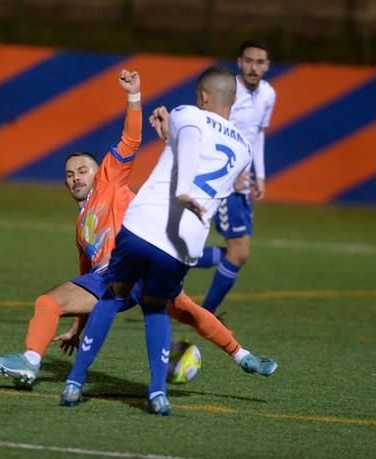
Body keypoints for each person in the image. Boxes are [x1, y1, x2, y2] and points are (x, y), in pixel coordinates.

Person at [0, 69, 276, 393]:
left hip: (132, 260)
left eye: (83, 170)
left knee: (182, 310)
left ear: (100, 171)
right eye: (70, 175)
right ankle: (240, 356)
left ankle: (31, 362)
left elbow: (131, 138)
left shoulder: (109, 179)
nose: (76, 178)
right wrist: (77, 328)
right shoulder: (82, 227)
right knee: (182, 309)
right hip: (127, 271)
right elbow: (87, 274)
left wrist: (134, 96)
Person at [60, 65, 254, 415]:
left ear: (203, 97)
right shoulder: (245, 151)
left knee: (112, 295)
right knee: (156, 308)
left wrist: (167, 129)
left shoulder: (187, 114)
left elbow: (187, 144)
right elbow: (204, 169)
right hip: (183, 242)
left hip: (143, 226)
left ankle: (74, 382)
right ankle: (157, 394)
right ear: (235, 100)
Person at [194, 40, 276, 314]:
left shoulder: (268, 94)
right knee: (239, 253)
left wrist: (259, 175)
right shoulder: (228, 90)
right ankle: (206, 314)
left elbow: (258, 134)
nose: (254, 67)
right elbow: (212, 130)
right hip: (225, 179)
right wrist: (233, 171)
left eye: (260, 62)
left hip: (244, 180)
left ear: (268, 65)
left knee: (238, 253)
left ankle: (204, 309)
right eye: (249, 61)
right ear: (239, 62)